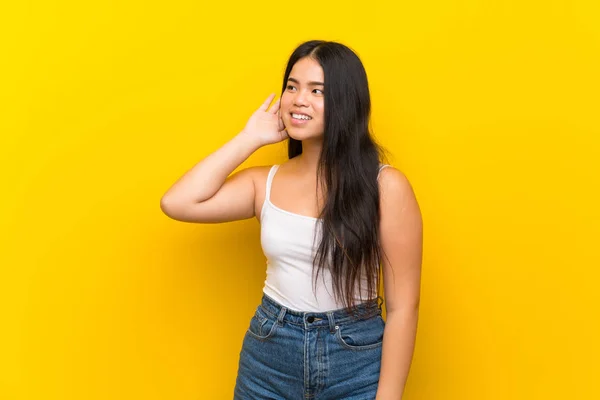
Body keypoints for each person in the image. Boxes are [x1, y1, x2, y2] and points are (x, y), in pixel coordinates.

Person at [160, 40, 423, 400]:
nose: (299, 99)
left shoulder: (385, 186)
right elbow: (177, 202)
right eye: (292, 86)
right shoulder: (262, 183)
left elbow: (403, 307)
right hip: (270, 353)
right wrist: (249, 138)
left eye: (317, 91)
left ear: (346, 103)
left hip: (355, 359)